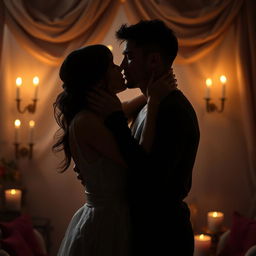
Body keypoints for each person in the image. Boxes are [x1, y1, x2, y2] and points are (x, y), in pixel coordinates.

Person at [87, 20, 200, 255]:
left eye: (129, 57)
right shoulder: (150, 105)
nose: (122, 65)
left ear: (153, 61)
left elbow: (149, 177)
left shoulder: (172, 110)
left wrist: (117, 121)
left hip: (162, 238)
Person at [53, 44, 175, 255]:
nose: (120, 68)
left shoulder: (95, 115)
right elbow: (139, 159)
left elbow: (122, 110)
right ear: (99, 80)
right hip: (106, 223)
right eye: (111, 66)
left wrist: (151, 90)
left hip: (113, 215)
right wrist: (154, 103)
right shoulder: (86, 122)